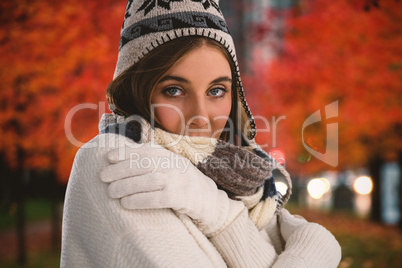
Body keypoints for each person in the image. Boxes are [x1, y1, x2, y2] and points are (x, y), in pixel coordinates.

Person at [60, 0, 341, 267]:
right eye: (174, 90)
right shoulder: (113, 160)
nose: (200, 116)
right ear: (137, 92)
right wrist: (313, 251)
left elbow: (292, 232)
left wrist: (318, 242)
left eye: (217, 91)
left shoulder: (235, 176)